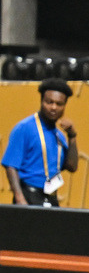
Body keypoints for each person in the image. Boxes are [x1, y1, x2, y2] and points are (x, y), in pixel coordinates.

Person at [3, 78, 78, 207]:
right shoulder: (25, 127)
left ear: (64, 106)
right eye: (49, 102)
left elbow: (72, 167)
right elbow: (10, 166)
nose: (53, 107)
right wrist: (20, 198)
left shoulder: (59, 135)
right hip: (29, 195)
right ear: (41, 101)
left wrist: (72, 136)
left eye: (59, 104)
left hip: (51, 196)